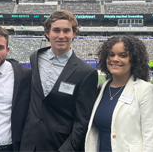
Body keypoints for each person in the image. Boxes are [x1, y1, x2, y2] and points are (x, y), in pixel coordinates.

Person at [20, 10, 99, 152]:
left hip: (59, 145)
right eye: (56, 30)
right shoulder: (36, 57)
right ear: (47, 33)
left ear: (73, 34)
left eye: (66, 31)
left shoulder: (86, 72)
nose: (61, 36)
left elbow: (83, 121)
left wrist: (68, 149)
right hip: (28, 142)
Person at [85, 36, 153, 152]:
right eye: (111, 54)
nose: (115, 59)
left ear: (134, 60)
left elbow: (151, 138)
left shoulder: (146, 90)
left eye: (123, 55)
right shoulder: (101, 89)